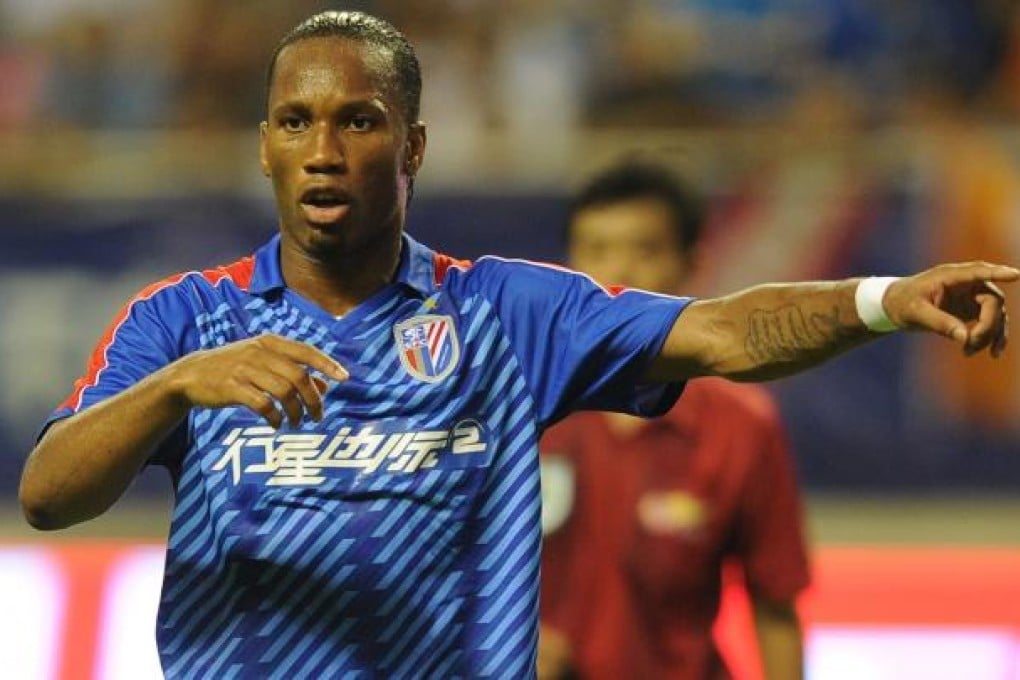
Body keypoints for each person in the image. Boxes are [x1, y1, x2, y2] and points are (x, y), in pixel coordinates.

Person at [18, 10, 1015, 679]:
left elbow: (722, 331)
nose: (323, 151)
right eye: (295, 122)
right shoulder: (182, 321)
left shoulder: (503, 313)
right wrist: (177, 389)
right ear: (265, 145)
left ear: (412, 146)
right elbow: (48, 494)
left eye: (358, 122)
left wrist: (885, 297)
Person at [538, 161, 809, 680]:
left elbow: (775, 603)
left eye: (645, 250)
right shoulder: (516, 404)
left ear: (693, 265)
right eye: (596, 250)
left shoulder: (739, 426)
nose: (617, 273)